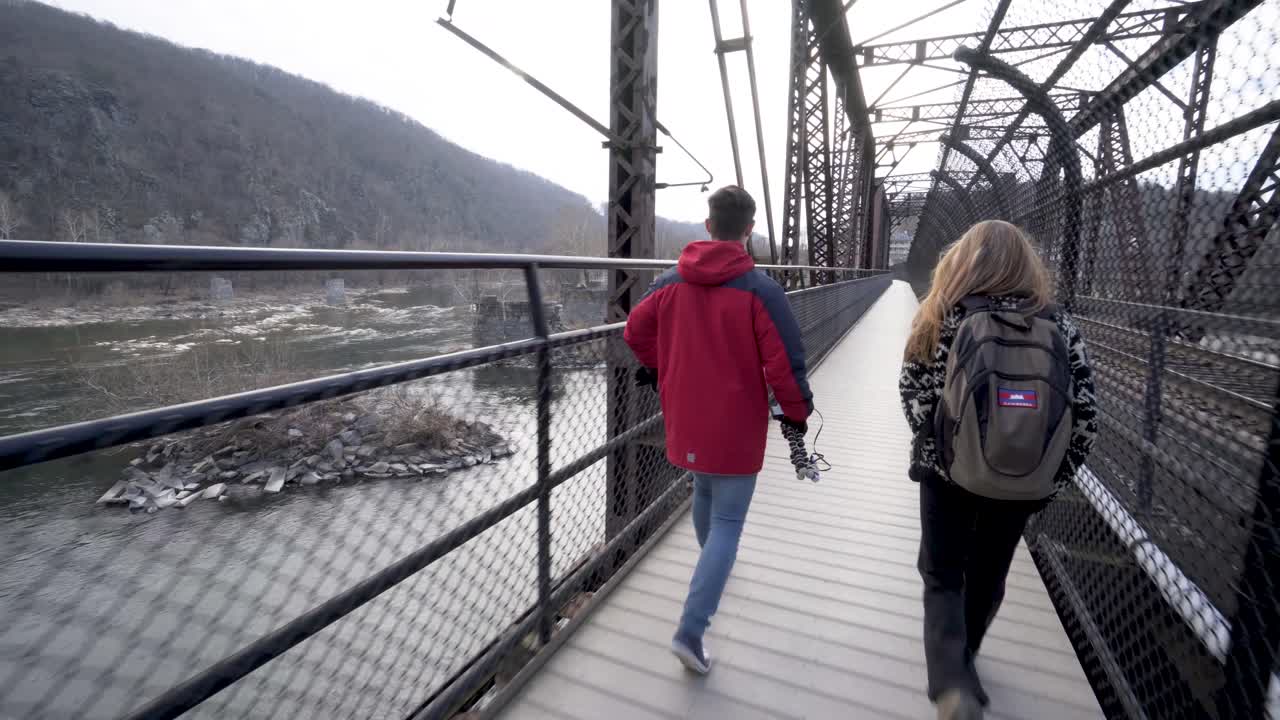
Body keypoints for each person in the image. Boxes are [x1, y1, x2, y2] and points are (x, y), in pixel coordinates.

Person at [898, 220, 1098, 720]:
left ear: (961, 260)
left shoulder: (942, 316)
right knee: (989, 570)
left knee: (942, 571)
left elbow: (915, 397)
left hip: (949, 475)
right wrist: (1050, 481)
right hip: (1026, 481)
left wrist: (937, 453)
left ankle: (951, 682)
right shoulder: (1059, 326)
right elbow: (1086, 418)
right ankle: (967, 658)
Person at [623, 185, 812, 675]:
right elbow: (785, 366)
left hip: (684, 415)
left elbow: (634, 332)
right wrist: (797, 413)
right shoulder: (762, 292)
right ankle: (691, 630)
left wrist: (660, 366)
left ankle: (715, 566)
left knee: (702, 489)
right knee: (728, 521)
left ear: (708, 226)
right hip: (735, 425)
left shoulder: (668, 282)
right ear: (748, 231)